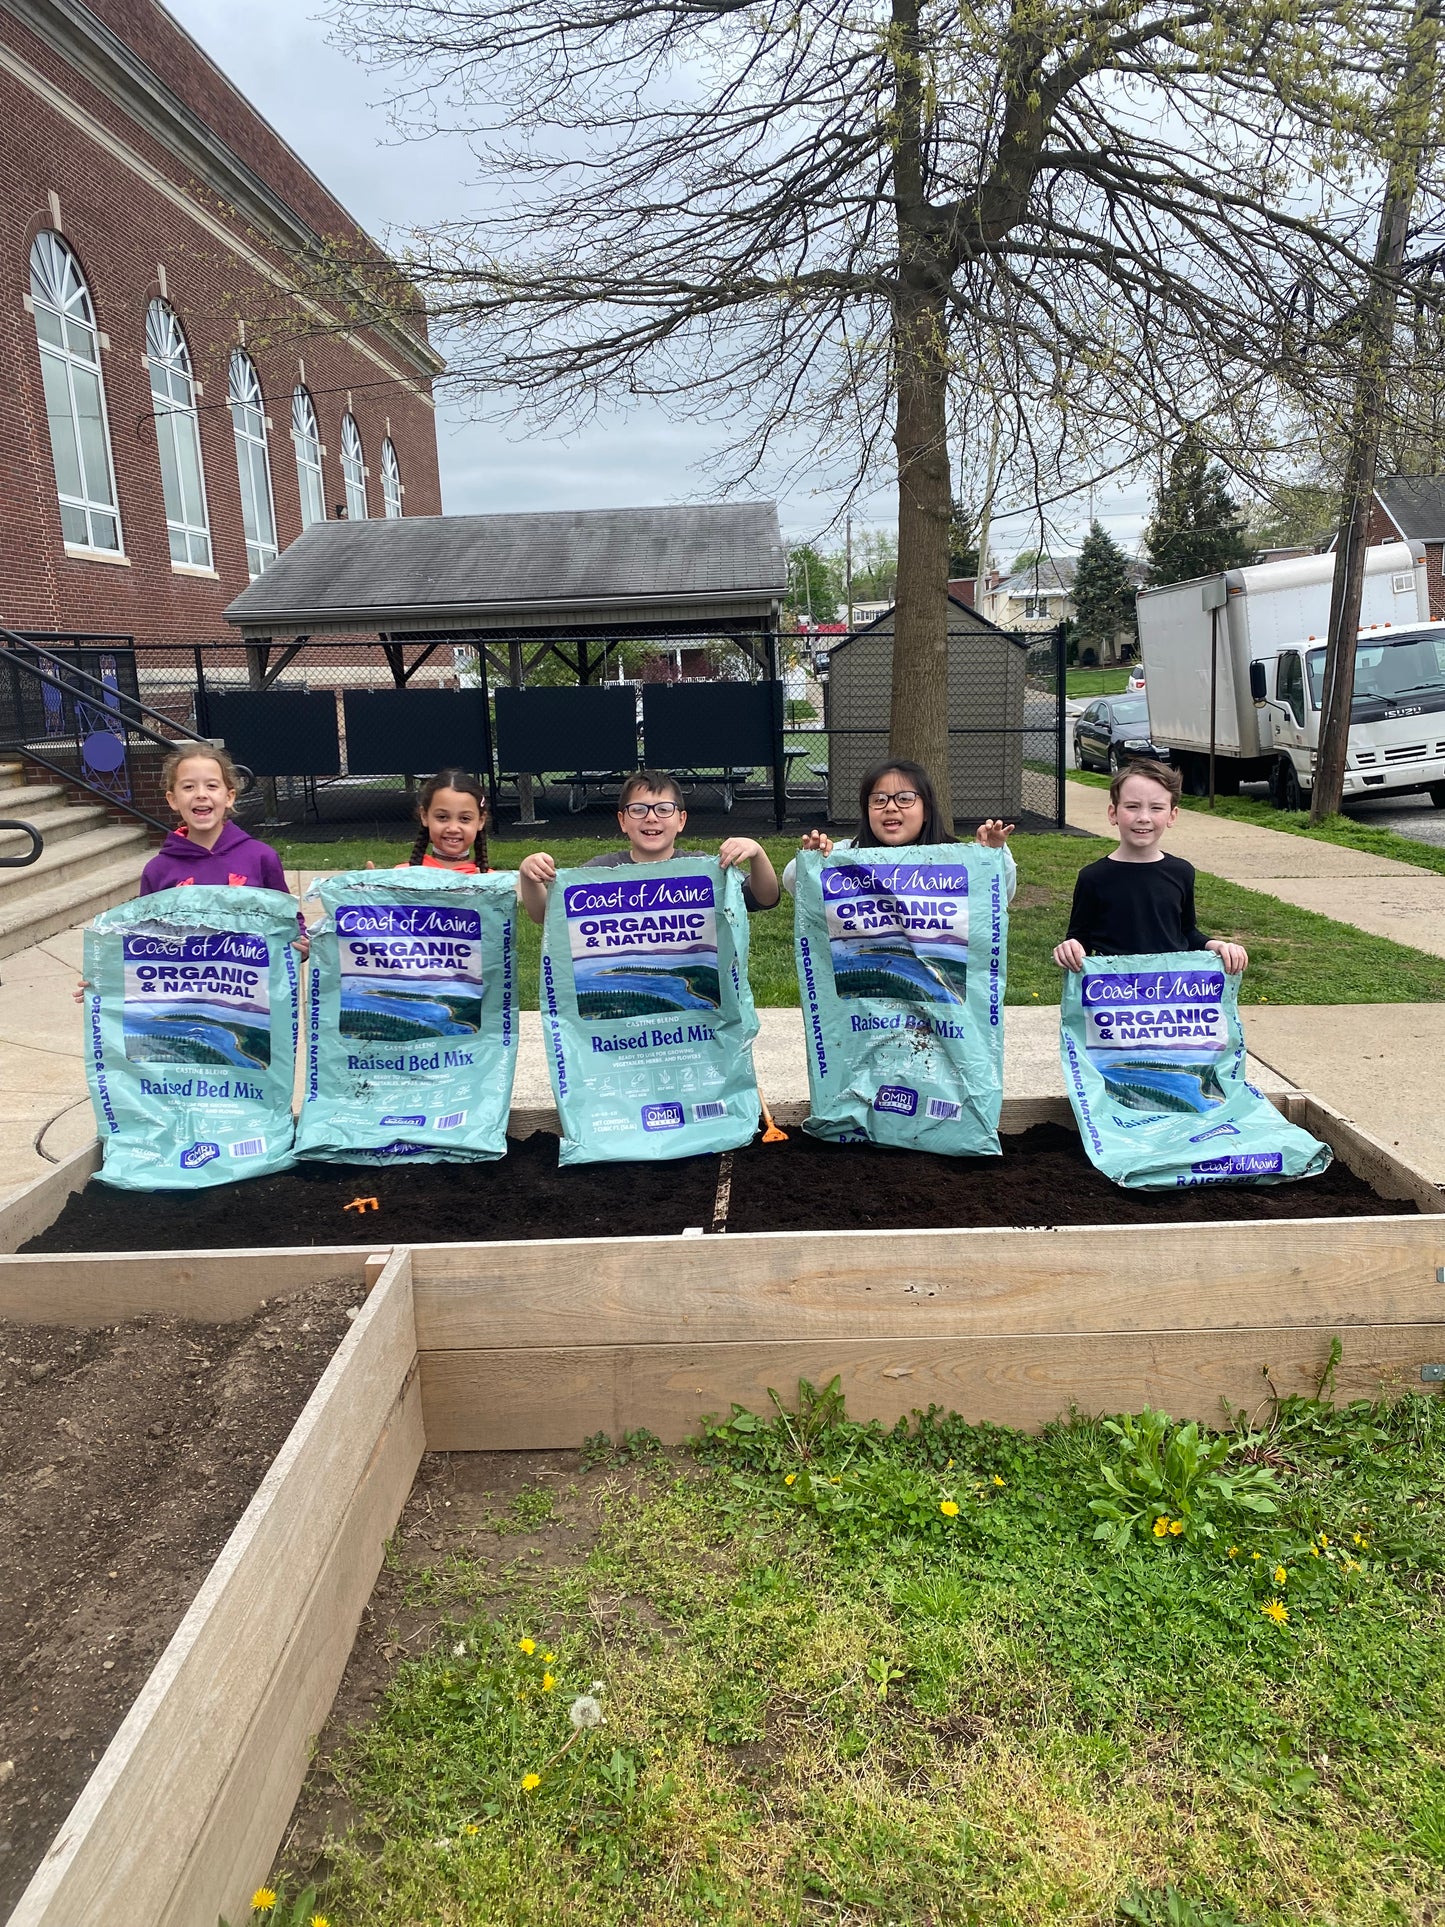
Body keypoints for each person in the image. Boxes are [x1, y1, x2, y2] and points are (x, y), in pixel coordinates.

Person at [1052, 759, 1248, 972]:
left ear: (1172, 815)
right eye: (1132, 807)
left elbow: (1186, 932)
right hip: (1114, 992)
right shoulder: (1093, 877)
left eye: (1156, 808)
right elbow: (1080, 939)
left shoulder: (1182, 872)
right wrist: (1071, 948)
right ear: (1113, 813)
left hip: (1169, 990)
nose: (1143, 817)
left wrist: (1217, 945)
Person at [517, 769, 780, 922]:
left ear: (681, 820)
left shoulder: (704, 871)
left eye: (664, 809)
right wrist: (529, 876)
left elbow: (765, 898)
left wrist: (757, 853)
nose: (651, 817)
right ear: (622, 820)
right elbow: (545, 915)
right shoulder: (600, 872)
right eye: (639, 809)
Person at [779, 758, 1017, 895]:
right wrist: (811, 863)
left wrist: (993, 855)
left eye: (904, 798)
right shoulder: (846, 855)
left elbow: (1000, 895)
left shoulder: (958, 860)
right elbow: (793, 883)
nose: (890, 807)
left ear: (926, 811)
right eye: (879, 800)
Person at [139, 744, 289, 895]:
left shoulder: (261, 858)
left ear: (229, 797)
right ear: (173, 799)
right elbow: (146, 918)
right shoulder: (157, 870)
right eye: (189, 787)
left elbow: (287, 916)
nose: (201, 794)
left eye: (211, 786)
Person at [368, 768, 492, 872]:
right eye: (442, 817)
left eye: (464, 819)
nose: (453, 828)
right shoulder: (402, 875)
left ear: (480, 821)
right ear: (425, 816)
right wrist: (372, 893)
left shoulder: (493, 881)